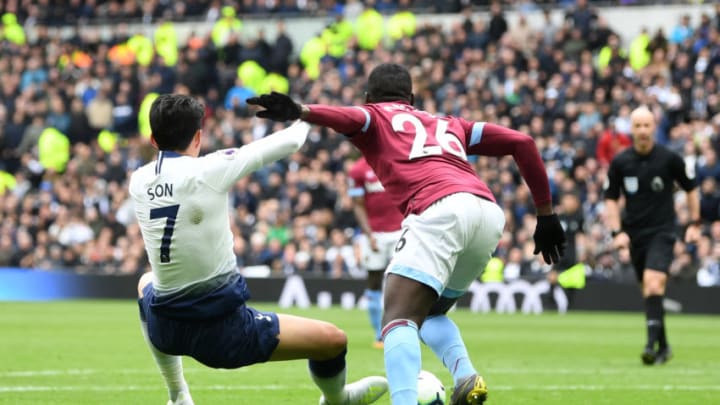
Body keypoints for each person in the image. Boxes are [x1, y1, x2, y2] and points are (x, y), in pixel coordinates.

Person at [247, 63, 566, 405]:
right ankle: (466, 377)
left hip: (438, 209)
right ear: (411, 98)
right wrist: (545, 214)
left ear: (368, 97)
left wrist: (302, 111)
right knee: (429, 313)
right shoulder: (450, 123)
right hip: (486, 212)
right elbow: (522, 141)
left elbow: (348, 118)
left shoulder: (375, 116)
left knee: (398, 317)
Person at [129, 94, 388, 405]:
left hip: (165, 329)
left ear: (153, 139)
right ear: (198, 137)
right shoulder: (207, 170)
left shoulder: (138, 180)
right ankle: (338, 399)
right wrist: (305, 112)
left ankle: (178, 394)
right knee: (333, 340)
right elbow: (290, 142)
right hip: (222, 332)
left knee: (146, 282)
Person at [604, 106, 701, 366]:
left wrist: (694, 223)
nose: (643, 131)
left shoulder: (669, 159)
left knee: (654, 283)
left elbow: (692, 190)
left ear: (654, 128)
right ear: (632, 129)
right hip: (635, 234)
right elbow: (611, 199)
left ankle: (649, 346)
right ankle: (664, 346)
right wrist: (617, 232)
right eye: (638, 126)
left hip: (663, 231)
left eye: (647, 126)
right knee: (650, 291)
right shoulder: (621, 162)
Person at [347, 156, 404, 348]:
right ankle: (379, 334)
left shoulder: (396, 162)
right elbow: (357, 204)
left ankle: (403, 330)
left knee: (403, 280)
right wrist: (369, 234)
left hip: (400, 230)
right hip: (374, 234)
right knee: (374, 281)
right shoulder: (357, 170)